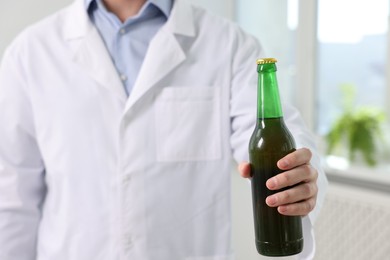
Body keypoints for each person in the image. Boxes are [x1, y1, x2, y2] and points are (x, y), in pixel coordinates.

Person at [0, 0, 328, 259]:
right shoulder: (31, 52)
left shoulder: (230, 46)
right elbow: (12, 195)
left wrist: (298, 178)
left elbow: (278, 140)